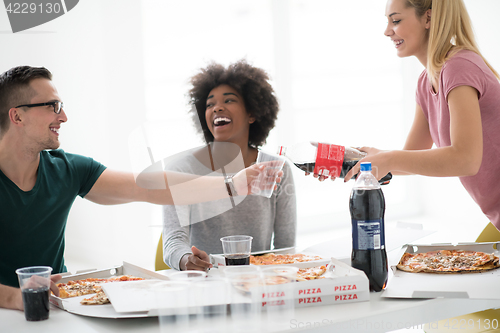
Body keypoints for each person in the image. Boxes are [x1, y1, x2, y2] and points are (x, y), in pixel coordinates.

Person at [0, 66, 281, 300]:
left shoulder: (69, 169)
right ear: (17, 116)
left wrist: (232, 184)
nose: (63, 116)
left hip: (54, 303)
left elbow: (148, 187)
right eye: (53, 106)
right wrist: (20, 298)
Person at [341, 0, 500, 230]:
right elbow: (411, 158)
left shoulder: (459, 67)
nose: (387, 31)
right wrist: (346, 162)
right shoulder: (426, 82)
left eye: (395, 20)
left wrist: (389, 158)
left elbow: (466, 160)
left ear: (427, 18)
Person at [162, 60, 297, 271]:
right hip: (205, 283)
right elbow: (173, 241)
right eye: (209, 104)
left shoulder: (276, 169)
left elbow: (285, 249)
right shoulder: (181, 169)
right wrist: (187, 260)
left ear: (252, 113)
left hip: (259, 284)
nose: (217, 108)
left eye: (229, 100)